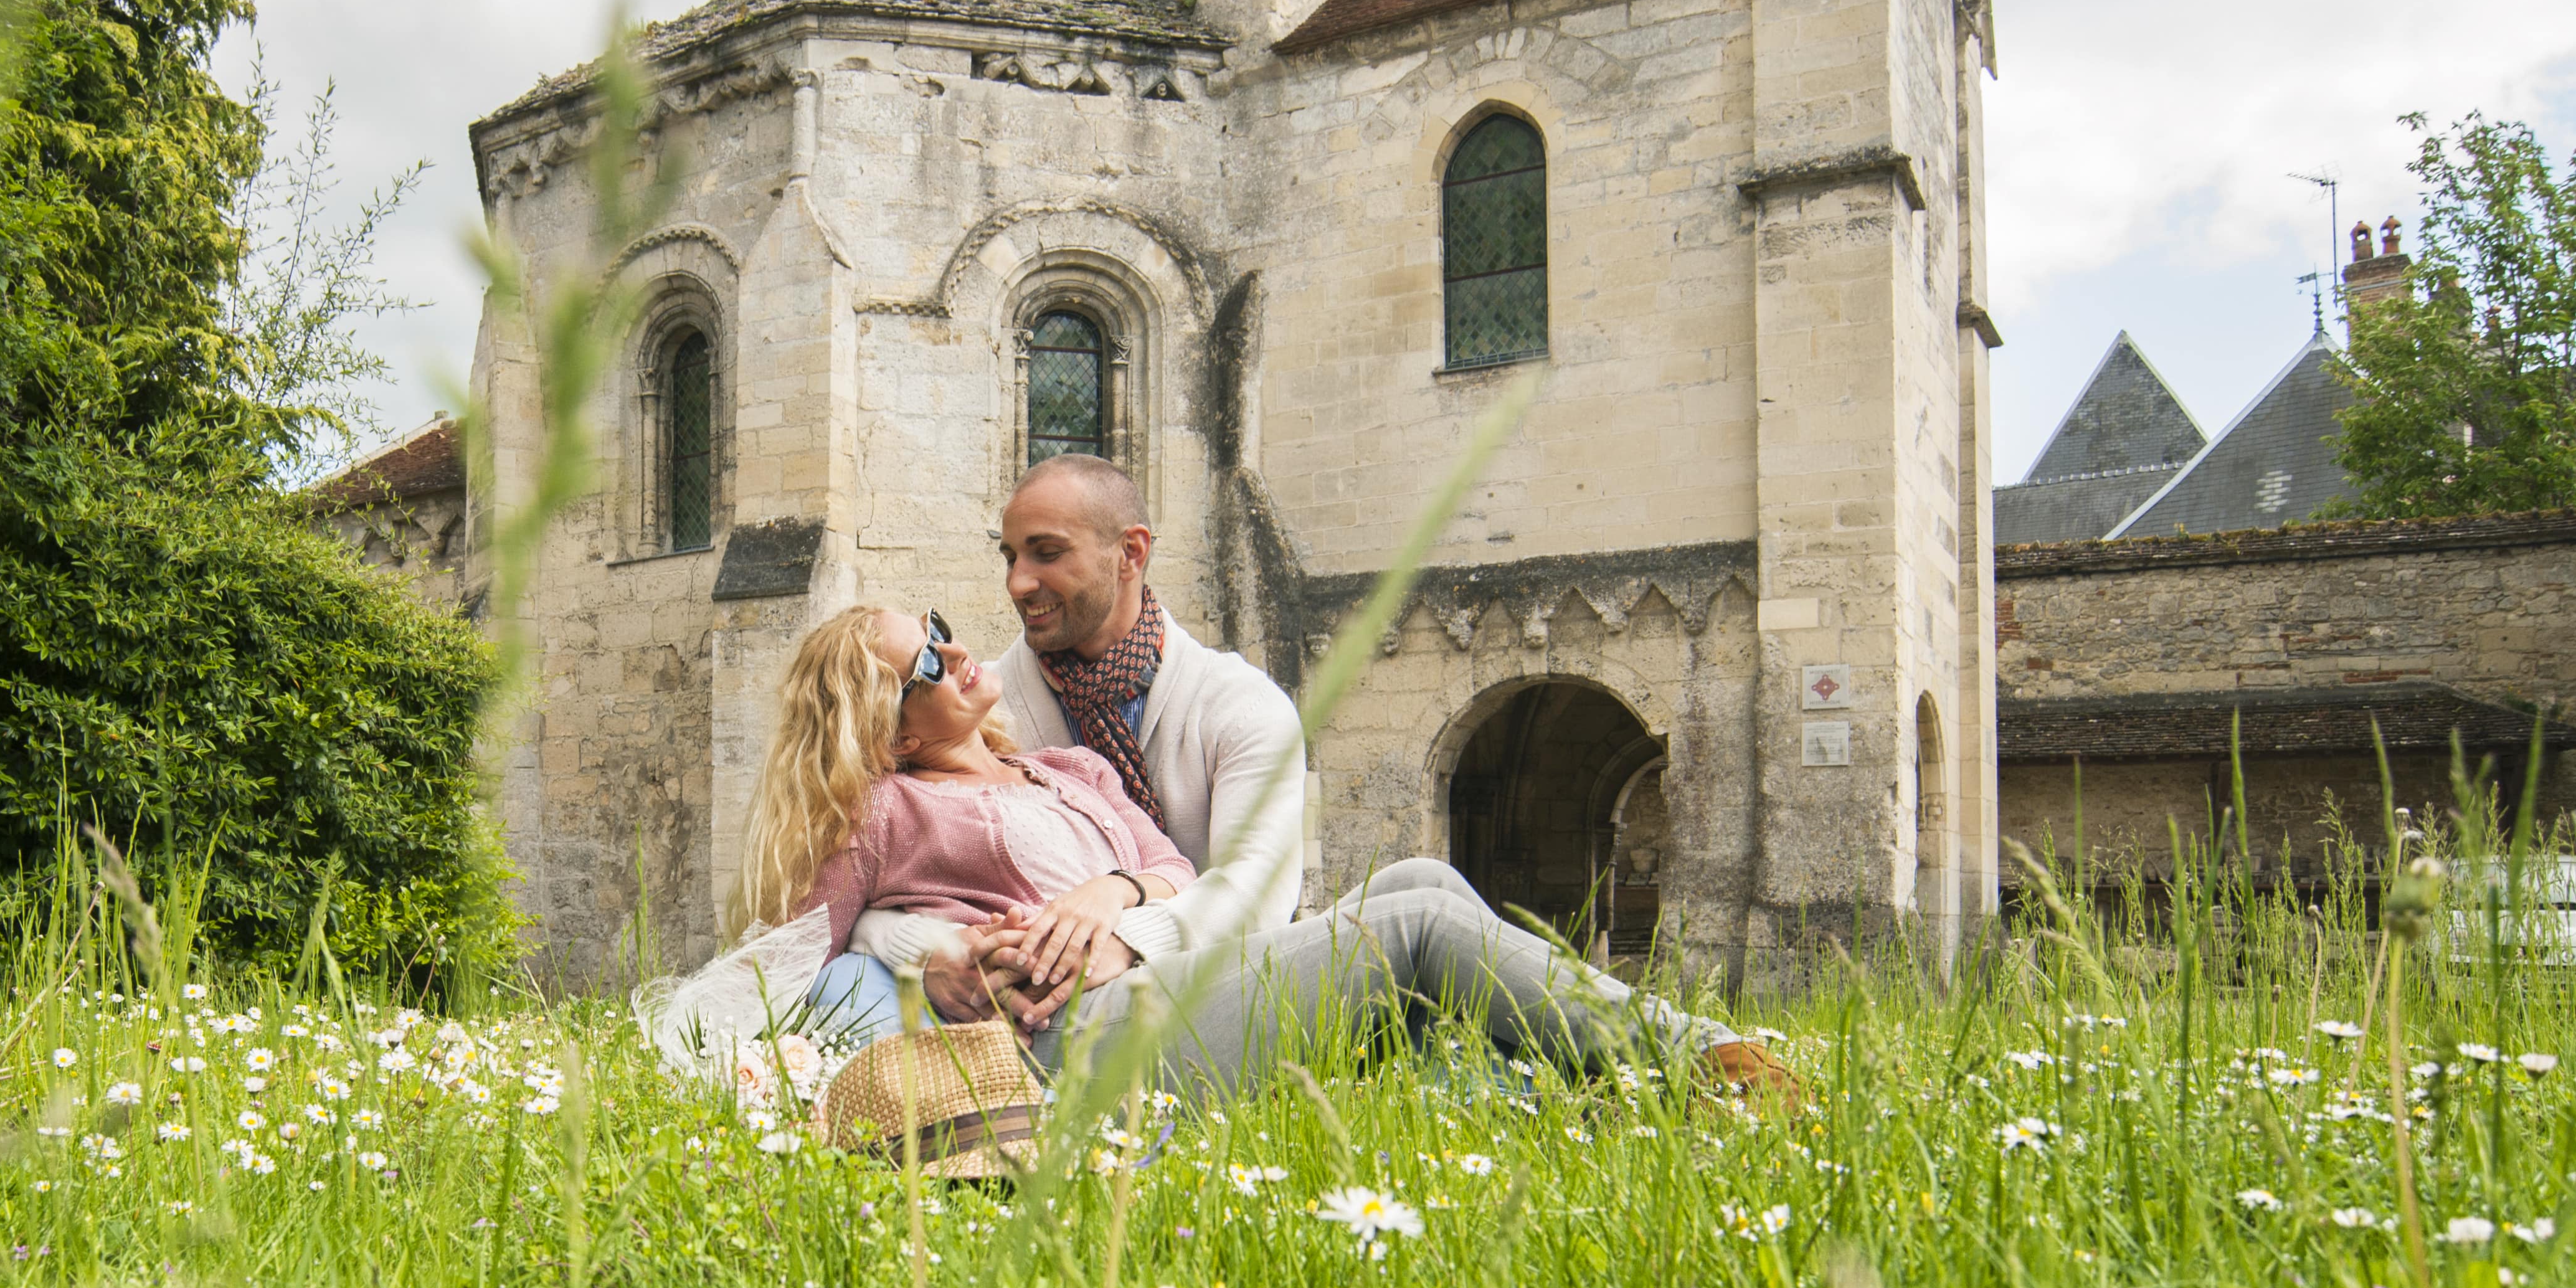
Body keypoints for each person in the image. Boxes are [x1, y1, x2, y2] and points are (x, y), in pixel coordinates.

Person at [696, 605, 1788, 1103]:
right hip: (1074, 1039)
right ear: (881, 727)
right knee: (1409, 927)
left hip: (1165, 980)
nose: (954, 649)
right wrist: (915, 967)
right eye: (921, 662)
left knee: (1416, 882)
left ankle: (1604, 1076)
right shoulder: (885, 809)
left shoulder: (1060, 772)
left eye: (936, 627)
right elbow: (774, 966)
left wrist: (1113, 891)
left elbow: (1177, 872)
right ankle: (1708, 1062)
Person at [817, 453, 1305, 1038]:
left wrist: (1123, 930)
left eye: (1047, 553)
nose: (1018, 583)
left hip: (1197, 972)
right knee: (1427, 919)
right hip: (1059, 1016)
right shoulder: (975, 715)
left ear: (1131, 553)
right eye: (1011, 557)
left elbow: (1258, 895)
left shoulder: (1240, 706)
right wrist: (927, 956)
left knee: (1422, 887)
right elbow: (839, 904)